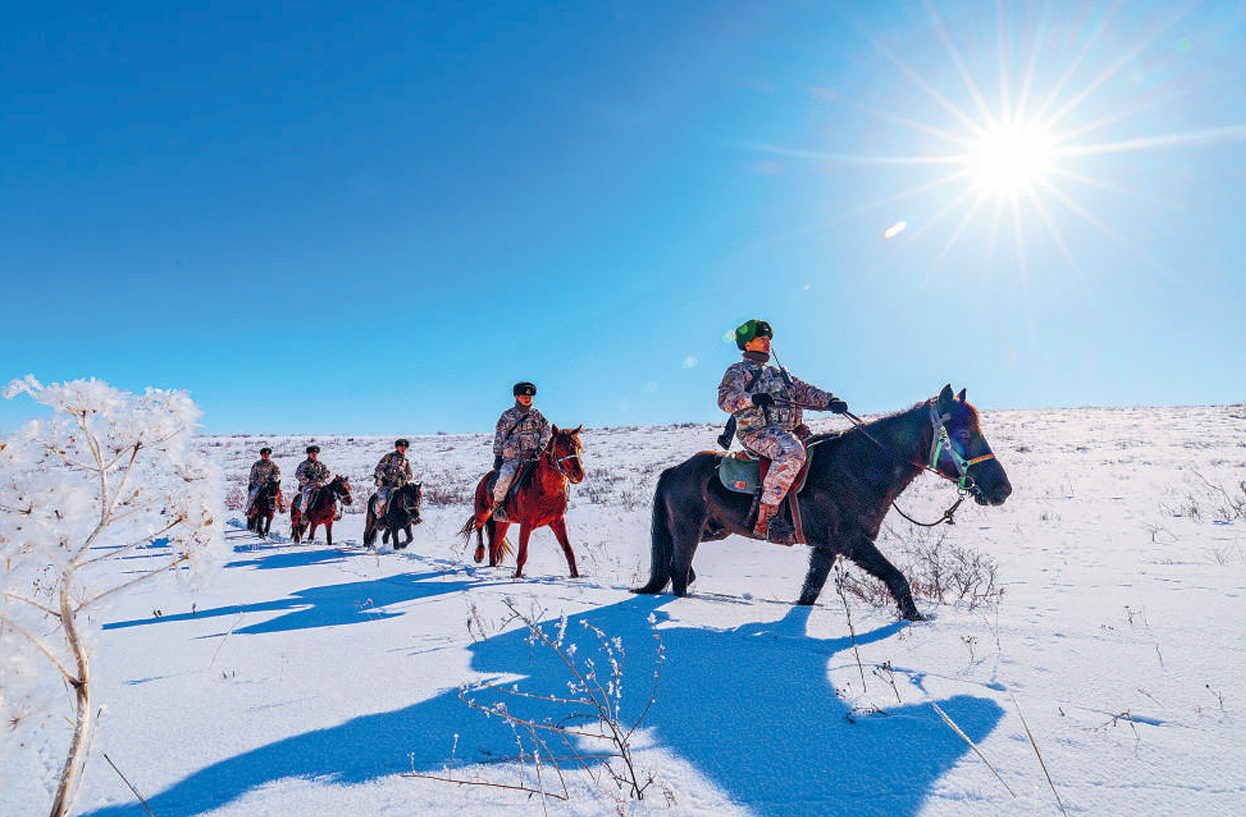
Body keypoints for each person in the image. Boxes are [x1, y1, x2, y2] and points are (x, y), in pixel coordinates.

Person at [717, 319, 848, 543]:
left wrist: (830, 400)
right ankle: (765, 521)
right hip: (757, 432)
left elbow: (804, 390)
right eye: (761, 339)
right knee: (793, 452)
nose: (767, 343)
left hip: (789, 430)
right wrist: (752, 398)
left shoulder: (780, 374)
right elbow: (725, 400)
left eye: (768, 340)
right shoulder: (738, 371)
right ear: (748, 344)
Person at [490, 381, 552, 522]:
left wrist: (541, 448)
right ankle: (497, 507)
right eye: (523, 395)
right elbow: (499, 436)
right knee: (505, 478)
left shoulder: (538, 416)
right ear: (516, 396)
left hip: (534, 458)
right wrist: (498, 456)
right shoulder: (507, 416)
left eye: (529, 396)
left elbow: (546, 432)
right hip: (514, 459)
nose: (527, 398)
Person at [373, 438, 413, 517]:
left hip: (400, 487)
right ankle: (379, 518)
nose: (403, 449)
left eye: (405, 447)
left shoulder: (406, 461)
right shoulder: (389, 457)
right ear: (397, 447)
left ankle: (414, 517)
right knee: (382, 501)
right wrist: (383, 477)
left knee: (412, 499)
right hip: (387, 486)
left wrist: (405, 477)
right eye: (401, 447)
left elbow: (410, 474)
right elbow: (378, 469)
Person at [294, 445, 331, 517]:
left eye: (316, 453)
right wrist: (306, 477)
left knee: (331, 495)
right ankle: (303, 514)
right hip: (308, 485)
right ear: (309, 454)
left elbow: (327, 472)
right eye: (312, 453)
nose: (314, 455)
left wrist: (324, 475)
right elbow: (297, 474)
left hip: (319, 484)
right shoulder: (303, 464)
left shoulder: (320, 464)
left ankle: (333, 513)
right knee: (306, 497)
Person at [246, 447, 281, 515]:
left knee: (279, 493)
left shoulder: (272, 465)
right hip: (259, 484)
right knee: (253, 494)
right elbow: (252, 474)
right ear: (262, 455)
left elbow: (277, 472)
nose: (266, 456)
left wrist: (273, 478)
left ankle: (281, 507)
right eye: (264, 454)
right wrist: (252, 482)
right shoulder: (257, 464)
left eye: (268, 455)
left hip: (269, 484)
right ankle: (249, 509)